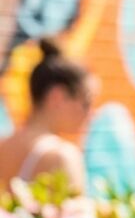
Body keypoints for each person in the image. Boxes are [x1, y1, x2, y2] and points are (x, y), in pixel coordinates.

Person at [0, 37, 96, 193]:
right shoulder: (62, 157)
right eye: (86, 102)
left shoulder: (3, 145)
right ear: (57, 97)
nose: (91, 113)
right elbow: (74, 217)